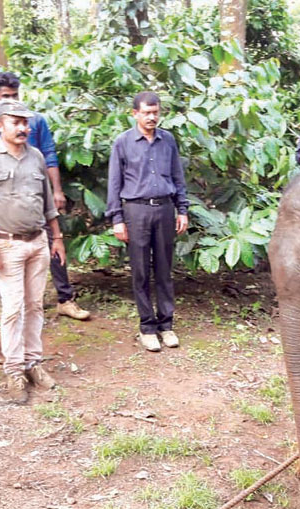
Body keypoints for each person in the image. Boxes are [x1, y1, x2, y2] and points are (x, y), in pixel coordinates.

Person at [0, 99, 65, 403]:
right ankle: (14, 370)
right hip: (6, 243)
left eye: (26, 122)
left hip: (37, 241)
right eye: (15, 122)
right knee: (13, 309)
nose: (23, 128)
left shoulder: (36, 157)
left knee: (35, 305)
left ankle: (33, 363)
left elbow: (48, 202)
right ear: (0, 125)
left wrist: (57, 238)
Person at [0, 72, 90, 321]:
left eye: (15, 95)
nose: (11, 100)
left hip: (37, 197)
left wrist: (56, 191)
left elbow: (49, 155)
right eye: (5, 97)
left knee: (54, 244)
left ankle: (65, 298)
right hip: (5, 206)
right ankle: (8, 306)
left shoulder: (35, 121)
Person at [106, 91, 189, 352]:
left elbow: (178, 177)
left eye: (155, 112)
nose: (152, 117)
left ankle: (166, 324)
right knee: (140, 271)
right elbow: (114, 184)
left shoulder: (168, 141)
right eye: (146, 113)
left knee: (164, 269)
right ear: (135, 114)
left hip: (164, 209)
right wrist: (117, 219)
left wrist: (182, 209)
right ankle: (148, 327)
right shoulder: (123, 142)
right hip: (136, 212)